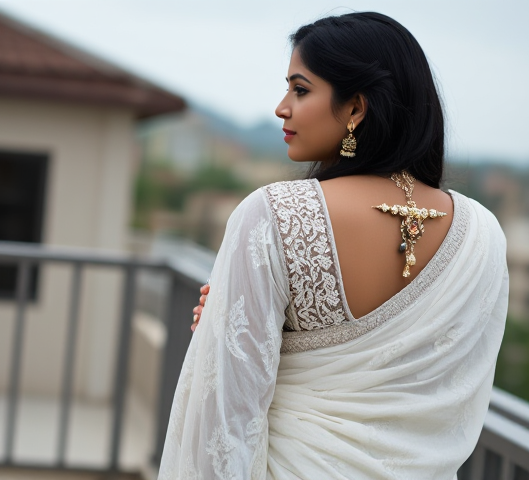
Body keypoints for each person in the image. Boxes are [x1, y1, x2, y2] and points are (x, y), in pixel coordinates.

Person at [158, 11, 508, 480]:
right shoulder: (482, 233)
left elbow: (224, 420)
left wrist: (226, 334)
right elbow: (455, 391)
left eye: (300, 90)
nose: (282, 107)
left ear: (356, 108)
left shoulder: (274, 216)